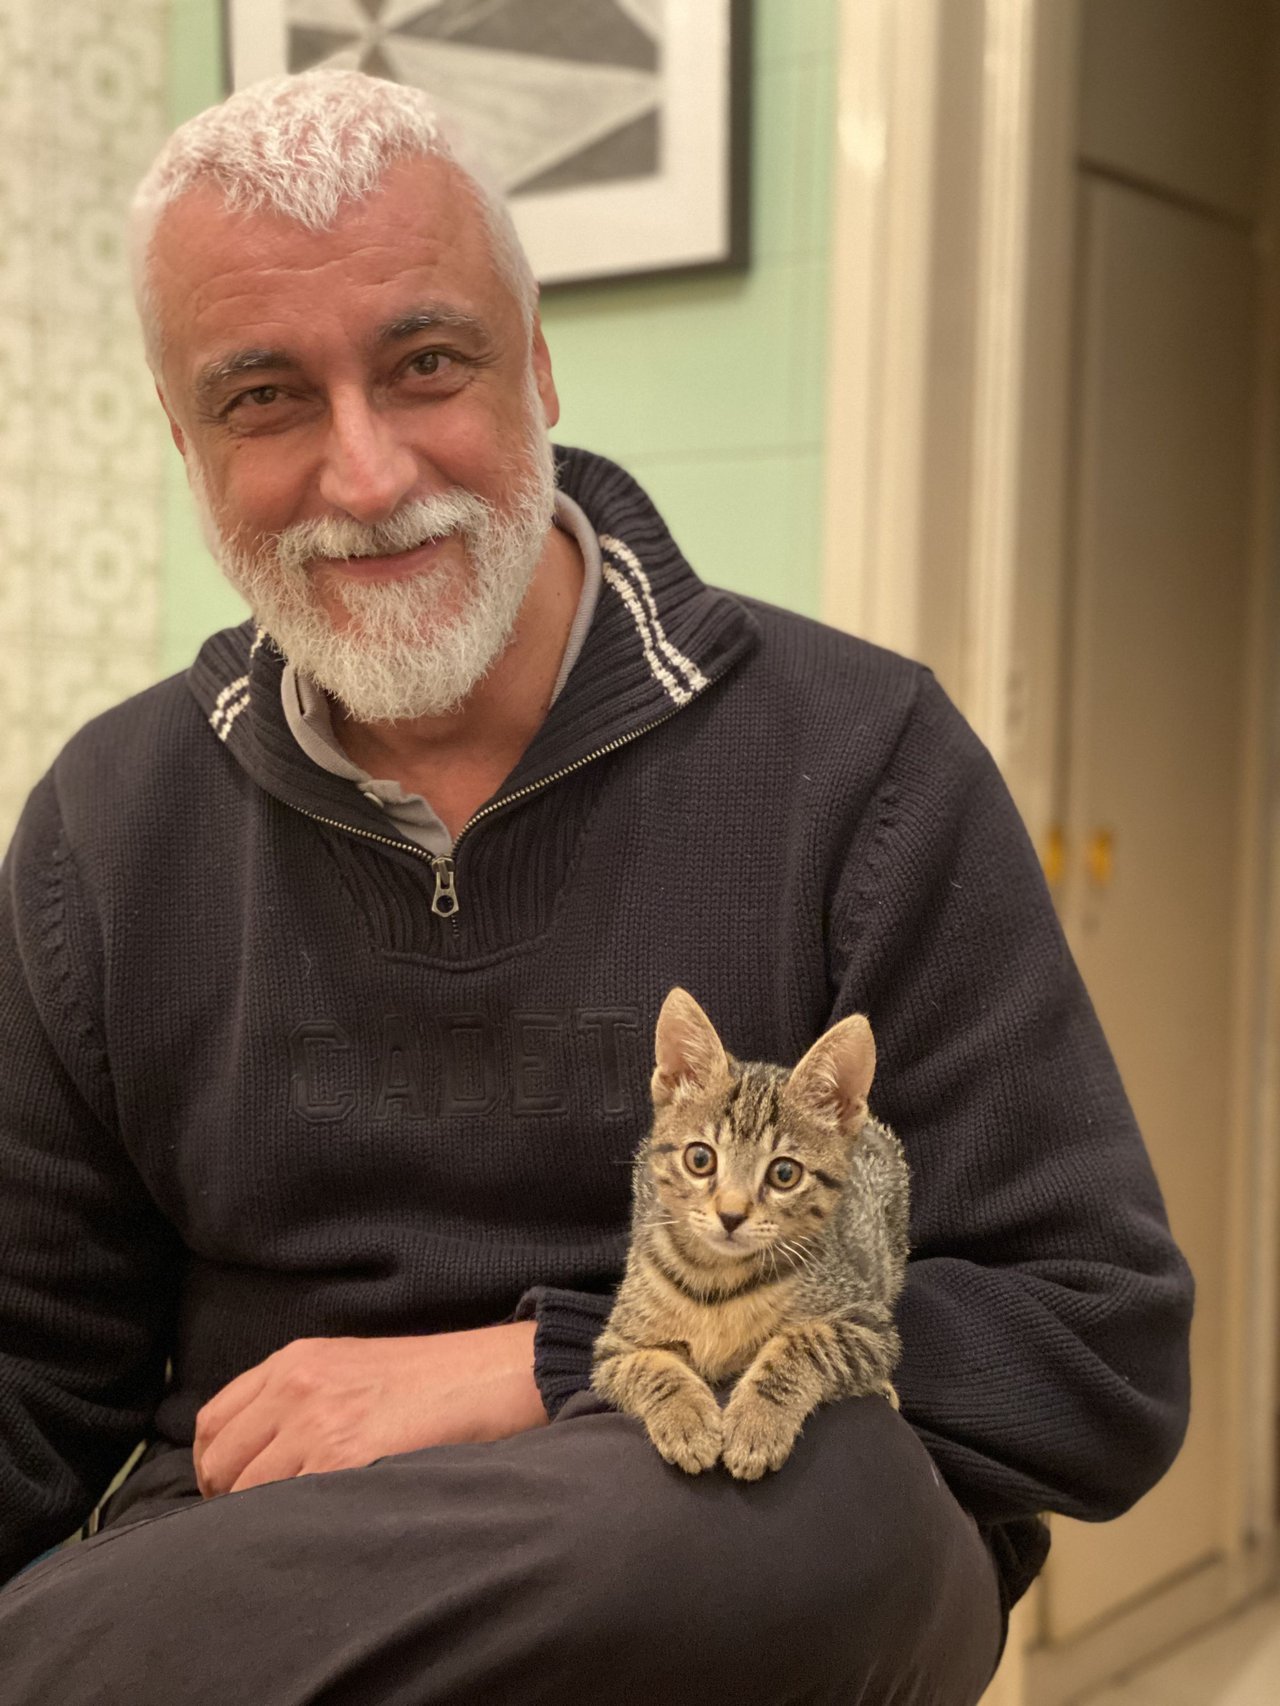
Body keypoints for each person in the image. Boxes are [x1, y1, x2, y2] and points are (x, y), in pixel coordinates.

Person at [0, 70, 1192, 1704]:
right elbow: (28, 1379)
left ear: (539, 360)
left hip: (711, 1552)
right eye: (265, 397)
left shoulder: (866, 763)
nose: (367, 474)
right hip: (269, 1576)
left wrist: (559, 1361)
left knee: (816, 1491)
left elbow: (1095, 1348)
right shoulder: (109, 822)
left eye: (427, 363)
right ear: (182, 437)